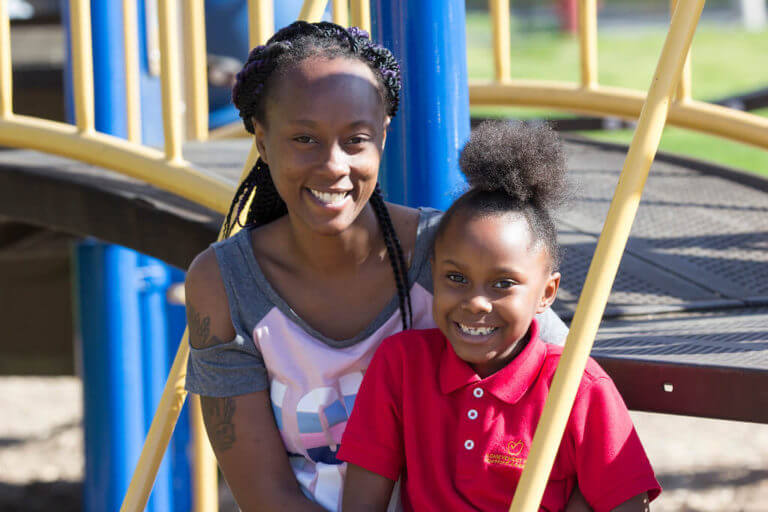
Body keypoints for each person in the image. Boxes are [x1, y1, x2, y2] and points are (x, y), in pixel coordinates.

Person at [184, 22, 569, 511]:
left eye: (356, 139)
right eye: (304, 138)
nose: (333, 165)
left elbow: (569, 395)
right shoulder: (224, 283)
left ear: (383, 136)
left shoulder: (452, 257)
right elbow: (266, 497)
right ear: (262, 140)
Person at [338, 121, 661, 511]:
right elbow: (361, 501)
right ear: (434, 272)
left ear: (546, 293)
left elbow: (629, 501)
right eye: (456, 278)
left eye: (502, 283)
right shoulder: (402, 365)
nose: (476, 302)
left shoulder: (575, 385)